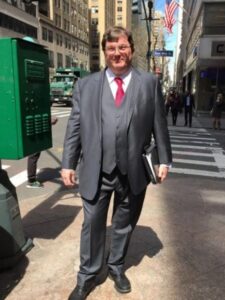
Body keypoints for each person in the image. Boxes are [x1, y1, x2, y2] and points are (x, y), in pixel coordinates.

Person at [61, 26, 172, 300]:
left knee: (124, 224)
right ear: (105, 52)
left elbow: (160, 123)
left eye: (122, 47)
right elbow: (74, 127)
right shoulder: (85, 86)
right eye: (111, 49)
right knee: (92, 226)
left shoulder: (148, 83)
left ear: (131, 49)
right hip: (96, 170)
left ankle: (116, 267)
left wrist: (165, 160)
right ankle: (87, 275)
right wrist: (67, 163)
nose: (117, 53)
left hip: (133, 170)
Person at [26, 116, 58, 188]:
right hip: (35, 132)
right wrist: (48, 121)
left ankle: (31, 179)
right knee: (33, 155)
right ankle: (31, 181)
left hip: (33, 131)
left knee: (33, 155)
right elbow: (36, 120)